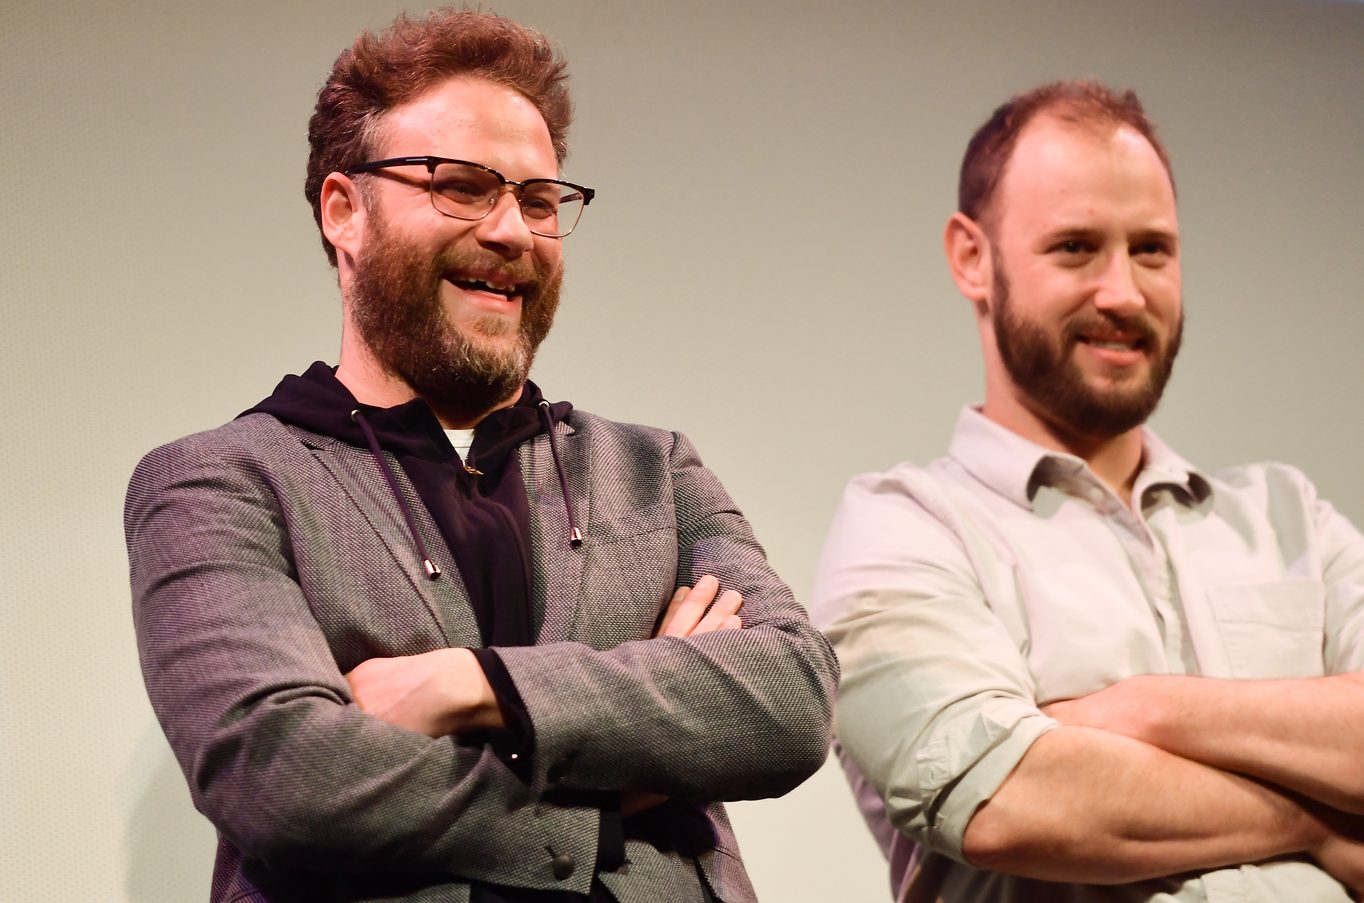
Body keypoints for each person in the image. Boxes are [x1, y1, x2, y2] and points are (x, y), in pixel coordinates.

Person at [125, 9, 836, 903]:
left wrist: (470, 684)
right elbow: (281, 775)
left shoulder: (659, 472)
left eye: (539, 200)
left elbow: (791, 699)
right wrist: (629, 789)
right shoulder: (219, 482)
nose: (512, 231)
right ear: (344, 211)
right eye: (462, 186)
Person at [811, 80, 1364, 902]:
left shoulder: (1292, 518)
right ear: (973, 257)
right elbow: (1008, 798)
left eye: (1152, 249)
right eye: (1075, 247)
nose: (1125, 293)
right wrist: (1322, 820)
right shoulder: (905, 528)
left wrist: (1148, 709)